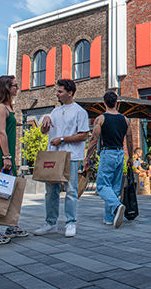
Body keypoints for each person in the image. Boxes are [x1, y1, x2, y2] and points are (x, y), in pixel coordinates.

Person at [34, 79, 89, 238]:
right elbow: (45, 132)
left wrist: (63, 139)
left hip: (71, 156)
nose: (57, 94)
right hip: (53, 154)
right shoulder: (54, 112)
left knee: (71, 190)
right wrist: (44, 123)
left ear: (69, 93)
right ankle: (50, 223)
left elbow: (84, 135)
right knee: (51, 190)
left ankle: (71, 222)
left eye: (60, 91)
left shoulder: (80, 111)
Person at [0, 75, 29, 245]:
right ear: (5, 88)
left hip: (7, 156)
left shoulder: (8, 107)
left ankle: (11, 226)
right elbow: (1, 132)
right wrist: (6, 156)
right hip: (1, 156)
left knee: (11, 191)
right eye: (14, 86)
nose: (17, 88)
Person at [83, 91, 133, 228]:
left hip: (107, 154)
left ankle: (116, 206)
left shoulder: (100, 119)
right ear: (116, 103)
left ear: (104, 103)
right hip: (120, 154)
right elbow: (129, 140)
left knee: (102, 186)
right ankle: (109, 218)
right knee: (114, 188)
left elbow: (94, 140)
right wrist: (131, 158)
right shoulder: (125, 119)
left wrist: (87, 158)